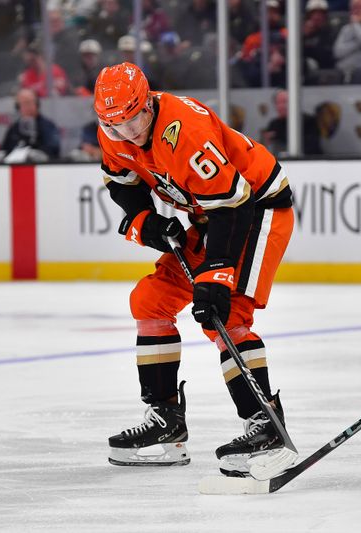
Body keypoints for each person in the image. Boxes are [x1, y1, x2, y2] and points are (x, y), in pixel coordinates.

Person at [93, 62, 296, 479]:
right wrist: (144, 220)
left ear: (147, 103)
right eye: (114, 125)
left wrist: (217, 275)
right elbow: (121, 181)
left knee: (226, 313)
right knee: (148, 301)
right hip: (212, 214)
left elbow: (234, 205)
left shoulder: (184, 130)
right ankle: (165, 421)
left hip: (256, 207)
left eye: (132, 119)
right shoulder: (113, 131)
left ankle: (265, 424)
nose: (126, 132)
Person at [1, 88, 61, 160]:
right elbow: (5, 152)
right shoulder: (14, 129)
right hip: (17, 168)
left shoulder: (48, 126)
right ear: (18, 107)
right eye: (22, 104)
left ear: (37, 104)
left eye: (28, 103)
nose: (26, 107)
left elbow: (53, 151)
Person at [262, 89, 322, 156]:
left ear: (294, 103)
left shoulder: (308, 121)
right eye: (277, 102)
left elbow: (311, 147)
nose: (280, 106)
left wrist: (279, 136)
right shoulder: (273, 124)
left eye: (284, 102)